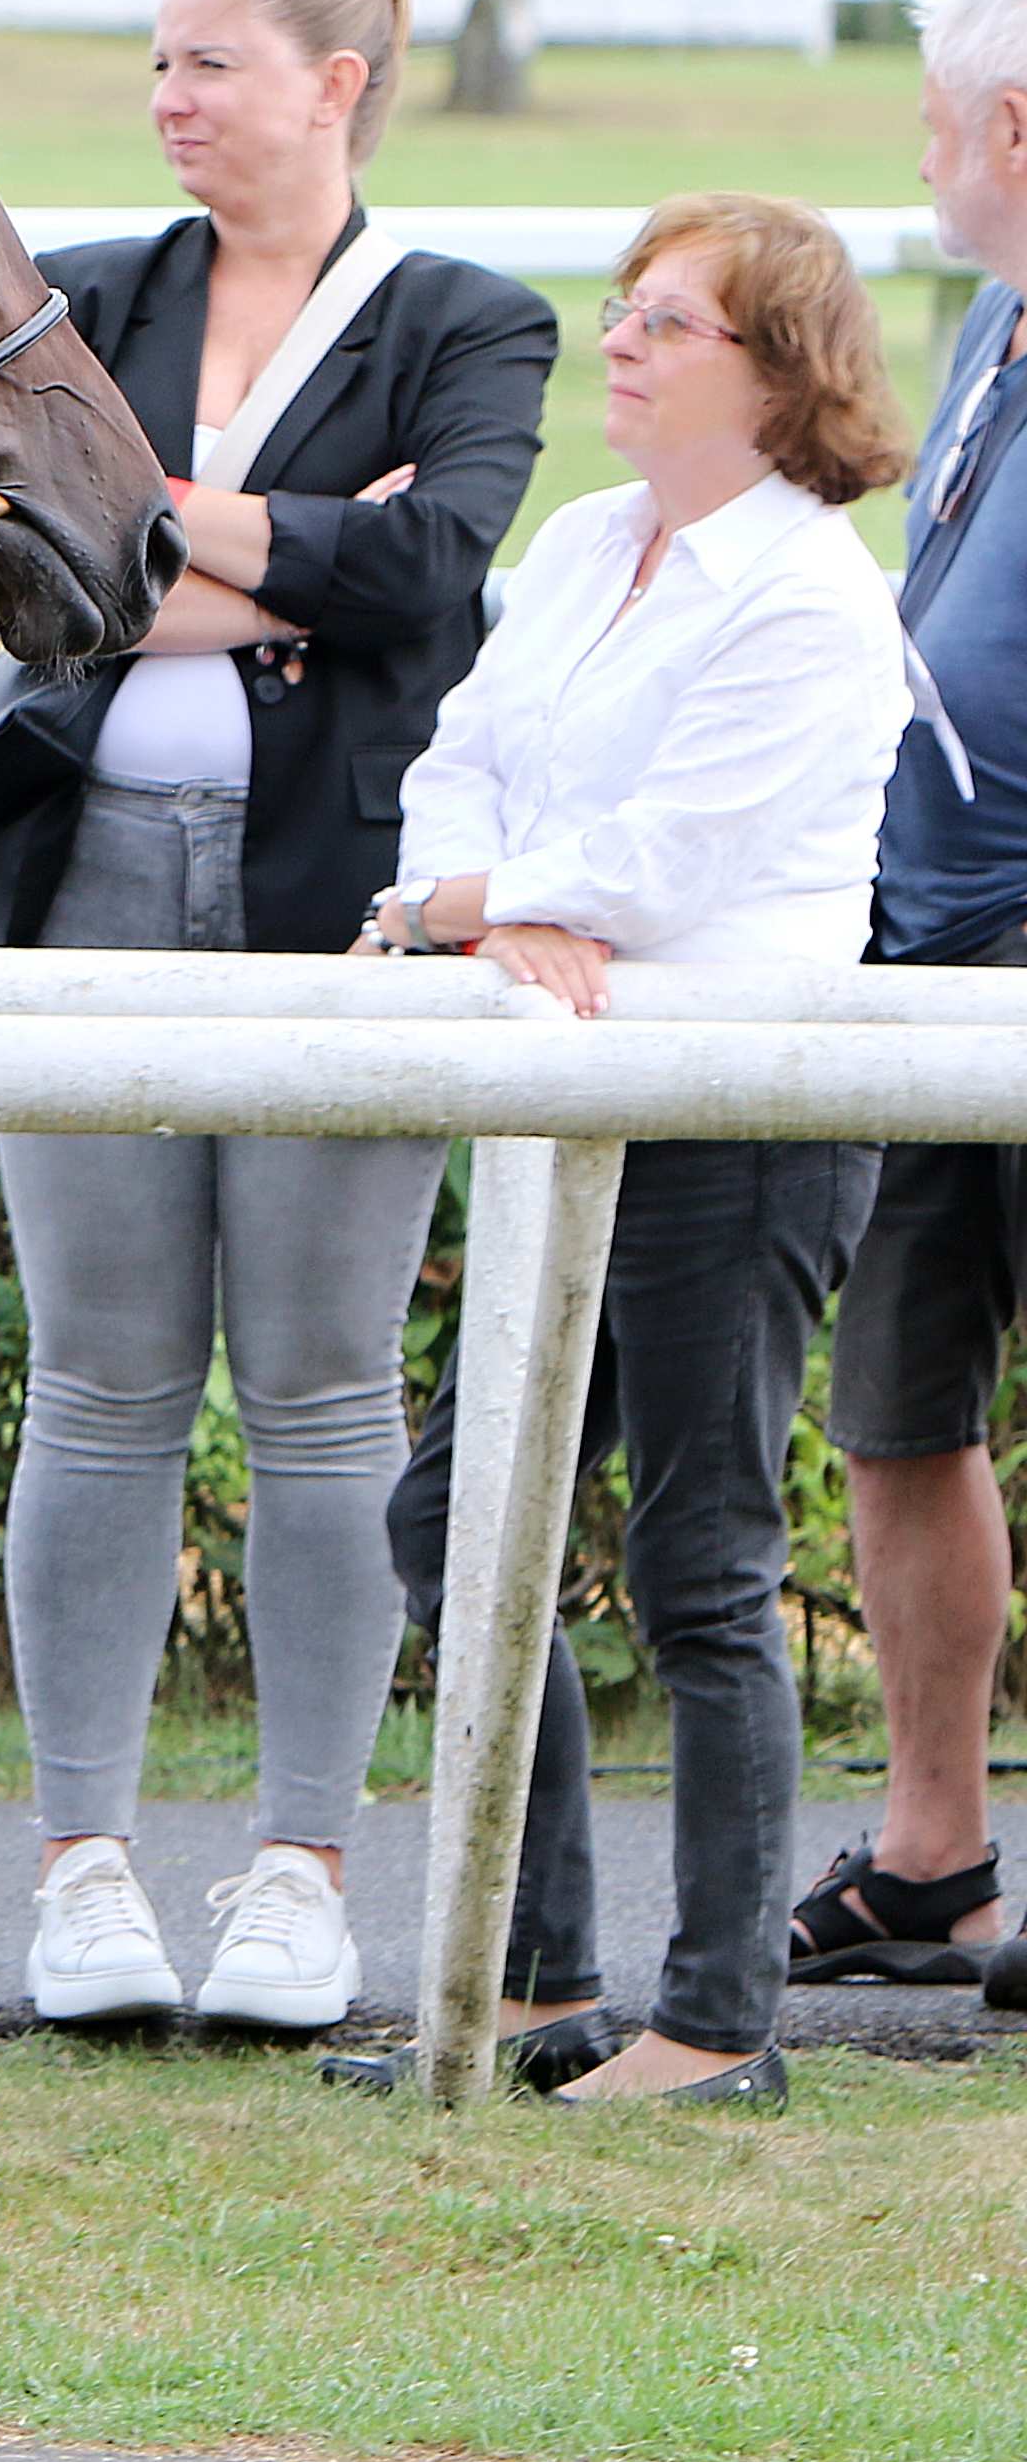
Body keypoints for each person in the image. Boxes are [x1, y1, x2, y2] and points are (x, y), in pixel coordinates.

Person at [0, 0, 555, 2036]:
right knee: (96, 1386)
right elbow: (3, 573)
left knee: (318, 1393)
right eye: (161, 62)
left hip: (334, 903)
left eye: (209, 63)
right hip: (79, 873)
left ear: (336, 80)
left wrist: (156, 538)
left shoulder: (467, 317)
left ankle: (301, 1860)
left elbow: (432, 581)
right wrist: (285, 572)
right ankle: (77, 1858)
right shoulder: (84, 296)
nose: (169, 96)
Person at [359, 194, 919, 2111]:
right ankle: (531, 1984)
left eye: (663, 321)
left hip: (731, 1109)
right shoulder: (584, 541)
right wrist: (481, 893)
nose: (614, 340)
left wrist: (463, 899)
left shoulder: (809, 594)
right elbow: (459, 757)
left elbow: (661, 871)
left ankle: (713, 2022)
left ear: (771, 372)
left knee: (696, 1555)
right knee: (452, 1516)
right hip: (564, 1084)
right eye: (619, 309)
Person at [809, 0, 1027, 2001]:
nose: (925, 159)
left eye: (936, 120)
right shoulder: (987, 318)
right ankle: (930, 1848)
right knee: (896, 1409)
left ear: (1013, 127)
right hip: (922, 933)